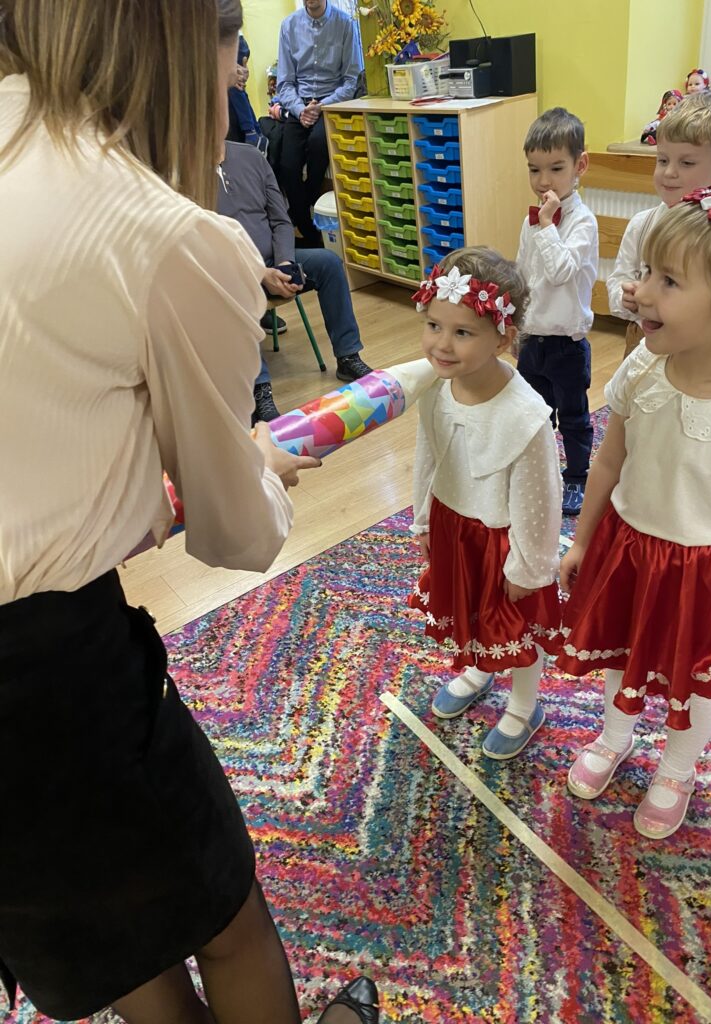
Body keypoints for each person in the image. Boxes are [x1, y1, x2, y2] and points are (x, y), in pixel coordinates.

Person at [0, 1, 378, 1022]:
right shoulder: (161, 233)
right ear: (178, 42)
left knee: (106, 935)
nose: (236, 79)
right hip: (45, 678)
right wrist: (257, 463)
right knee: (219, 911)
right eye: (230, 49)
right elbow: (235, 531)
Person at [558, 184, 711, 840]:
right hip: (627, 545)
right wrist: (580, 541)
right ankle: (615, 734)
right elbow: (607, 463)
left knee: (697, 679)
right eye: (646, 271)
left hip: (705, 572)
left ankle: (677, 770)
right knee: (619, 650)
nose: (641, 291)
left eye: (668, 281)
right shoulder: (642, 367)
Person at [407, 248, 562, 759]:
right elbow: (427, 456)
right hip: (453, 525)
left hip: (503, 541)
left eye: (462, 332)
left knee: (514, 627)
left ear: (503, 336)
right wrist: (423, 521)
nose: (441, 344)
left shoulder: (526, 415)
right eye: (434, 325)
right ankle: (479, 667)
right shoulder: (436, 388)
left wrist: (528, 568)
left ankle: (524, 705)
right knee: (470, 612)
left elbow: (540, 502)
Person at [218, 140, 372, 423]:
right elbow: (204, 244)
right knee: (232, 293)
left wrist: (284, 263)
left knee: (329, 263)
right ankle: (259, 390)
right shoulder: (183, 168)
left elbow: (280, 219)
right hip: (229, 273)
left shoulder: (251, 156)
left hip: (273, 260)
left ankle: (348, 356)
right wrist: (259, 272)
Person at [608, 92, 711, 359]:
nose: (669, 173)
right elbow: (619, 278)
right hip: (643, 343)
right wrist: (624, 296)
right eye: (663, 160)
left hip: (701, 352)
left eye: (687, 163)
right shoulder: (642, 225)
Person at [515, 107, 599, 516]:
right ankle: (538, 471)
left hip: (567, 343)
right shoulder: (531, 221)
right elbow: (524, 274)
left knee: (573, 417)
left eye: (555, 168)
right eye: (534, 170)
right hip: (532, 339)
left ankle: (578, 477)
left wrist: (547, 226)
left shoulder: (583, 222)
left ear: (580, 165)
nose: (543, 181)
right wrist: (513, 322)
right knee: (532, 415)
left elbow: (561, 270)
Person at [276, 0, 362, 246]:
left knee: (318, 144)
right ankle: (307, 229)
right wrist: (300, 109)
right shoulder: (288, 26)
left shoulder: (345, 24)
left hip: (332, 103)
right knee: (287, 165)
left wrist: (322, 106)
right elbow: (284, 82)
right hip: (299, 106)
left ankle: (303, 213)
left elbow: (351, 80)